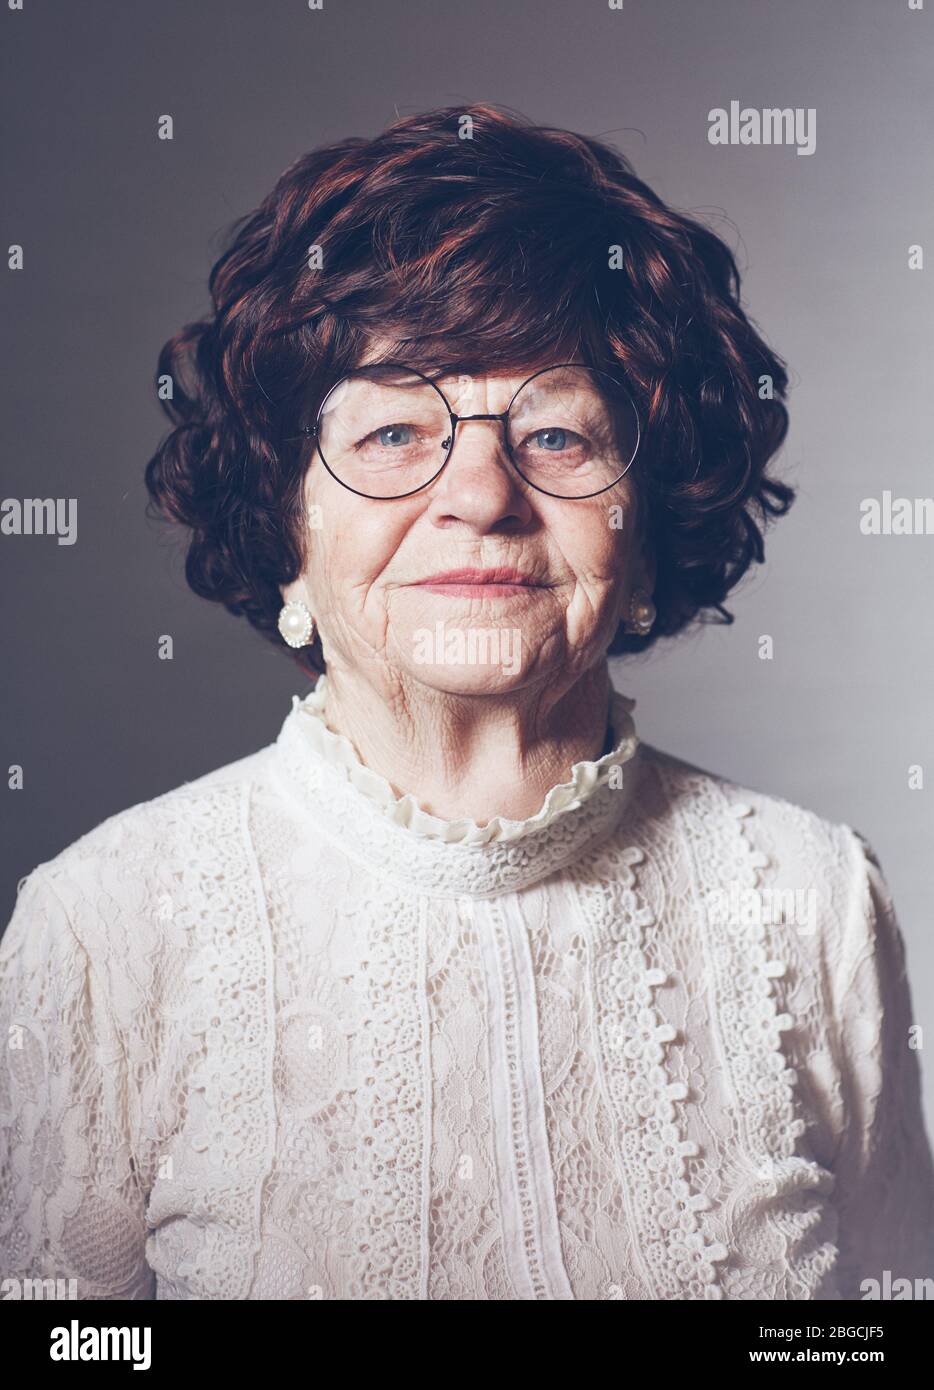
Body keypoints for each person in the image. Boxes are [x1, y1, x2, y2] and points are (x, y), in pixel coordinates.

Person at [2, 104, 932, 1301]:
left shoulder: (816, 902)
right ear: (288, 528)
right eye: (395, 429)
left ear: (642, 528)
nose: (479, 492)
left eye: (553, 433)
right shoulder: (99, 928)